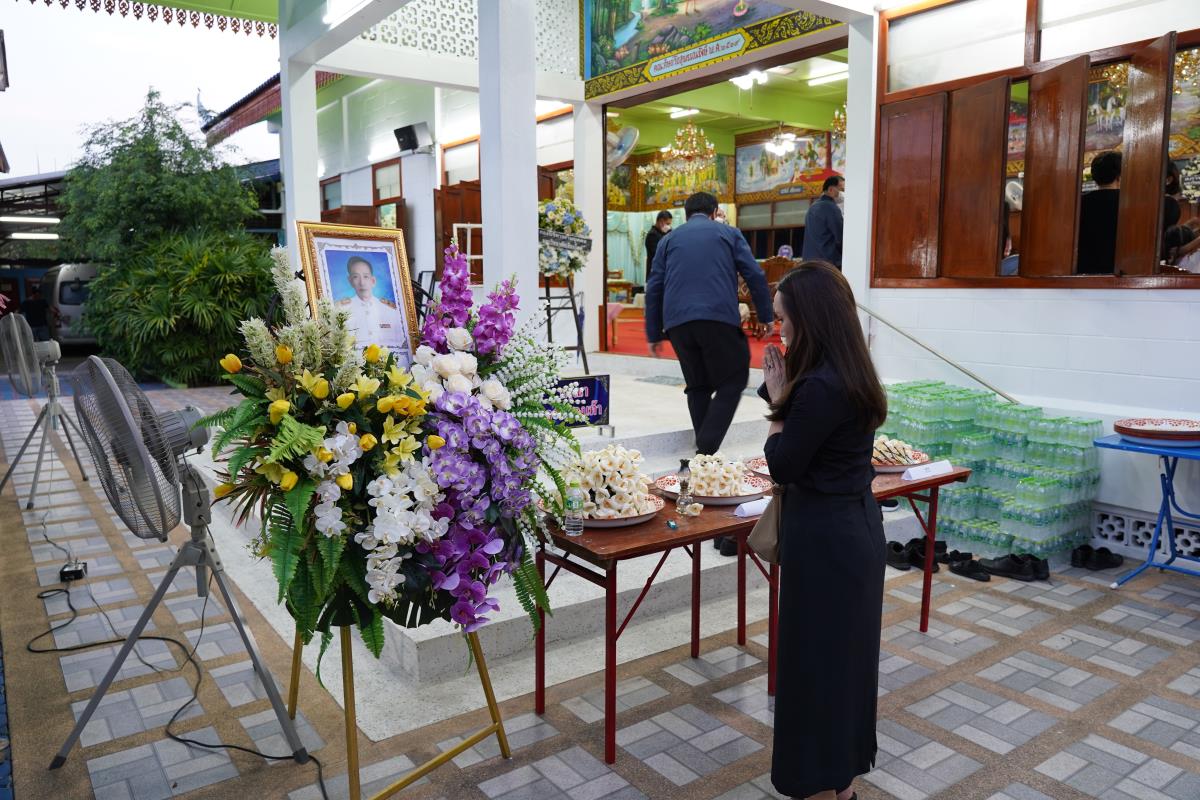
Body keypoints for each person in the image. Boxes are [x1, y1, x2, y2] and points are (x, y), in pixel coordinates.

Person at [759, 262, 887, 800]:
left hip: (826, 542)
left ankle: (816, 786)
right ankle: (843, 785)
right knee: (846, 667)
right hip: (856, 530)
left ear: (809, 318)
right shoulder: (853, 372)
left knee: (814, 668)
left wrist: (777, 401)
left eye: (784, 318)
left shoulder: (818, 386)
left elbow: (783, 463)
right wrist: (786, 390)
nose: (779, 329)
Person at [645, 191, 773, 456]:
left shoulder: (668, 240)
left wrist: (654, 333)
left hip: (678, 323)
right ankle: (706, 448)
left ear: (685, 215)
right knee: (734, 379)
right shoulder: (728, 233)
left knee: (698, 385)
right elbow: (754, 274)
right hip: (718, 316)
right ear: (714, 212)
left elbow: (654, 286)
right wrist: (765, 315)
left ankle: (705, 457)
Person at [337, 255, 411, 364]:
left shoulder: (390, 310)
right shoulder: (341, 311)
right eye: (356, 277)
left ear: (373, 280)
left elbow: (402, 348)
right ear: (350, 281)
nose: (362, 282)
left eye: (366, 276)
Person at [1077, 151, 1121, 274]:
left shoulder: (1078, 203)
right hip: (1120, 274)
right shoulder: (1130, 203)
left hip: (1083, 273)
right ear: (1119, 176)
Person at [802, 175, 844, 268]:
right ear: (831, 190)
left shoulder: (813, 207)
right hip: (828, 263)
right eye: (841, 189)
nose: (843, 193)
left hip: (809, 262)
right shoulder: (831, 207)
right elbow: (840, 237)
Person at [644, 210, 673, 283]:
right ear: (661, 221)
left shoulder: (662, 233)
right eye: (668, 224)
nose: (669, 227)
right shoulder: (652, 235)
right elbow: (658, 254)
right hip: (655, 274)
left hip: (663, 273)